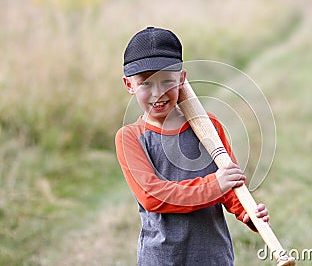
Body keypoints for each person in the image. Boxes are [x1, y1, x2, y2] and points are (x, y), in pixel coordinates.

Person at [115, 26, 270, 266]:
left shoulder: (208, 126)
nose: (158, 93)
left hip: (213, 256)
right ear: (129, 85)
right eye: (146, 83)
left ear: (183, 79)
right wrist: (214, 185)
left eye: (167, 80)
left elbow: (230, 186)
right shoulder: (130, 137)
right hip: (162, 259)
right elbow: (152, 196)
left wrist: (249, 214)